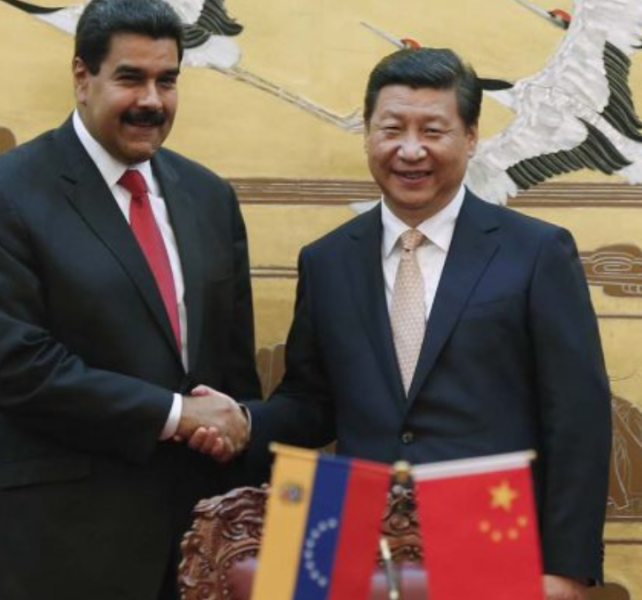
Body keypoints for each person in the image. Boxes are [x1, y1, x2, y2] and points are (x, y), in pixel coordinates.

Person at [241, 48, 612, 600]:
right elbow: (312, 403)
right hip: (349, 540)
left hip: (489, 531)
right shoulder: (326, 260)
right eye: (392, 129)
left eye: (433, 131)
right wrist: (240, 421)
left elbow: (578, 417)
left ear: (471, 136)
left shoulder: (536, 252)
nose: (410, 150)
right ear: (368, 133)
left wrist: (568, 568)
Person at [0, 1, 260, 599]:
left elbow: (232, 373)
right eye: (130, 78)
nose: (152, 101)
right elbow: (16, 366)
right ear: (82, 76)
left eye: (167, 81)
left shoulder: (209, 198)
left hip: (193, 551)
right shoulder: (1, 196)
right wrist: (178, 414)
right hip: (55, 553)